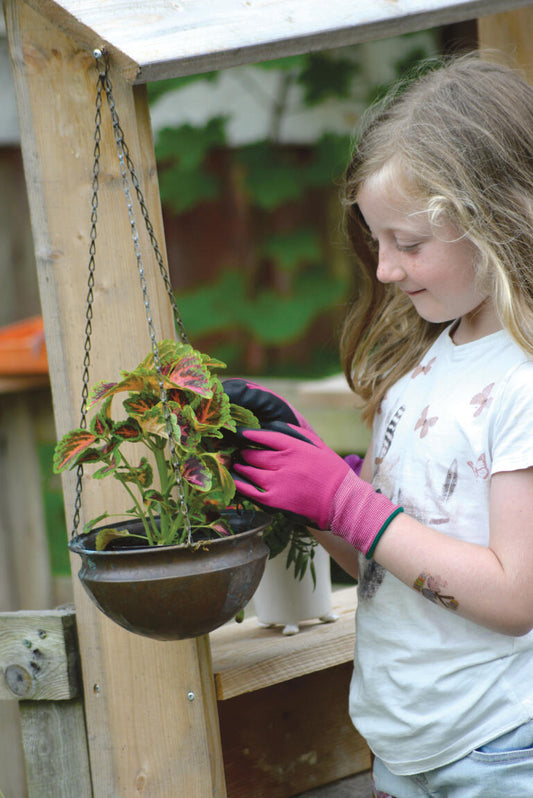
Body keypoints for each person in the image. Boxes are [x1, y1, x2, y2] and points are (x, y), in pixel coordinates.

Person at [223, 54, 533, 797]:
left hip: (499, 748)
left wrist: (348, 501)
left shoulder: (520, 379)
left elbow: (513, 596)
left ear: (497, 216)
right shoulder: (427, 362)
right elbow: (394, 561)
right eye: (377, 242)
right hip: (404, 745)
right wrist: (314, 487)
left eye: (409, 243)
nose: (385, 270)